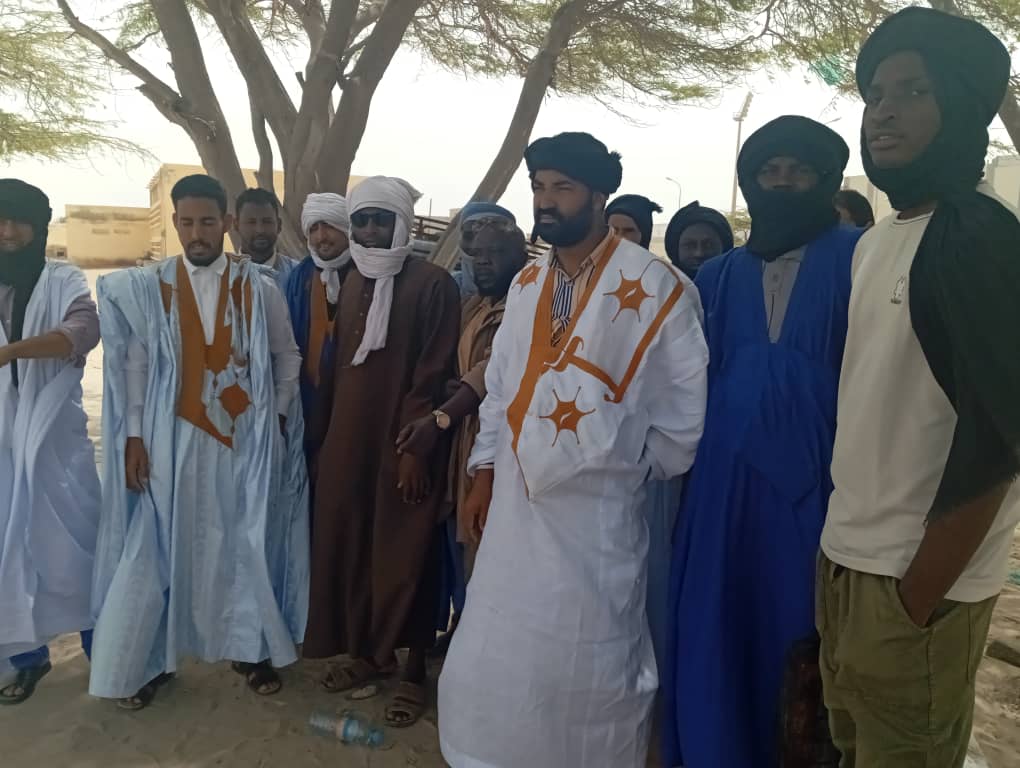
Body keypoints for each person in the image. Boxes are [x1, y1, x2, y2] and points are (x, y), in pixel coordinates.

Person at [438, 132, 709, 768]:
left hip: (598, 522)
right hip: (514, 513)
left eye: (562, 187)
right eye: (539, 187)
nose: (546, 200)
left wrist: (614, 469)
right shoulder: (529, 282)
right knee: (497, 653)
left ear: (598, 194)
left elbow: (682, 416)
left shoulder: (657, 287)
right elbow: (501, 390)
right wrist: (484, 473)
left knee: (589, 665)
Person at [819, 9, 1020, 767]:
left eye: (913, 91)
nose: (884, 111)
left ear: (961, 106)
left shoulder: (979, 234)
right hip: (848, 562)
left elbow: (999, 435)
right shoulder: (876, 240)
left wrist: (916, 598)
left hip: (916, 587)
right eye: (875, 94)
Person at [663, 116, 863, 768]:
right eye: (768, 172)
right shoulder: (717, 277)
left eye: (797, 172)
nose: (781, 183)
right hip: (721, 497)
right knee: (718, 628)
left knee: (799, 635)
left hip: (821, 492)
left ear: (824, 180)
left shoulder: (860, 259)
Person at [90, 174, 309, 710]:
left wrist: (279, 417)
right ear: (175, 223)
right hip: (172, 441)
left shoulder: (259, 287)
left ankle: (251, 649)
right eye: (186, 223)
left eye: (207, 222)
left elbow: (287, 356)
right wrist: (134, 436)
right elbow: (136, 365)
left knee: (246, 542)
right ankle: (152, 661)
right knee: (161, 546)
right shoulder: (150, 287)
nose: (196, 233)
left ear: (226, 223)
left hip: (245, 442)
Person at [303, 176, 460, 728]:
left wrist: (415, 451)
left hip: (407, 445)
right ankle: (370, 655)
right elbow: (336, 374)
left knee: (407, 553)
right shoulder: (350, 284)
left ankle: (413, 672)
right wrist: (327, 444)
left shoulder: (433, 284)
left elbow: (433, 373)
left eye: (380, 220)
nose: (369, 231)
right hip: (351, 444)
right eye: (362, 220)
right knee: (353, 545)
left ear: (402, 224)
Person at [397, 217, 528, 655]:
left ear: (520, 255)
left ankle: (487, 649)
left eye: (496, 253)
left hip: (498, 447)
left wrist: (453, 403)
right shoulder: (471, 305)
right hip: (460, 441)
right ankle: (462, 631)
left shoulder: (526, 308)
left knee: (489, 546)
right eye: (476, 254)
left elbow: (493, 372)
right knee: (460, 543)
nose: (483, 262)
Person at [0, 180, 101, 705]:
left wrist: (10, 352)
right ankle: (28, 658)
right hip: (1, 446)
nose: (8, 231)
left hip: (56, 443)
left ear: (39, 227)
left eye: (19, 220)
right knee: (9, 548)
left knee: (79, 545)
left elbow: (82, 331)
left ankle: (105, 654)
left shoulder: (62, 280)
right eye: (0, 220)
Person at [284, 192, 351, 471]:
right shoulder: (300, 277)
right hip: (306, 403)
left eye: (330, 226)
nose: (321, 236)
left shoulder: (367, 274)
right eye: (314, 228)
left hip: (353, 405)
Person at [234, 188, 299, 289]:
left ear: (279, 225)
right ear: (236, 225)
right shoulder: (221, 277)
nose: (260, 230)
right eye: (251, 222)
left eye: (267, 222)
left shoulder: (298, 275)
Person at [451, 202, 517, 296]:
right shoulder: (445, 285)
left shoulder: (523, 291)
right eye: (469, 236)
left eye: (494, 247)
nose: (475, 245)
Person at [663, 201, 734, 278]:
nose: (699, 254)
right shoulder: (660, 283)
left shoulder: (739, 282)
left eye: (709, 245)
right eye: (689, 245)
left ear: (724, 247)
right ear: (675, 249)